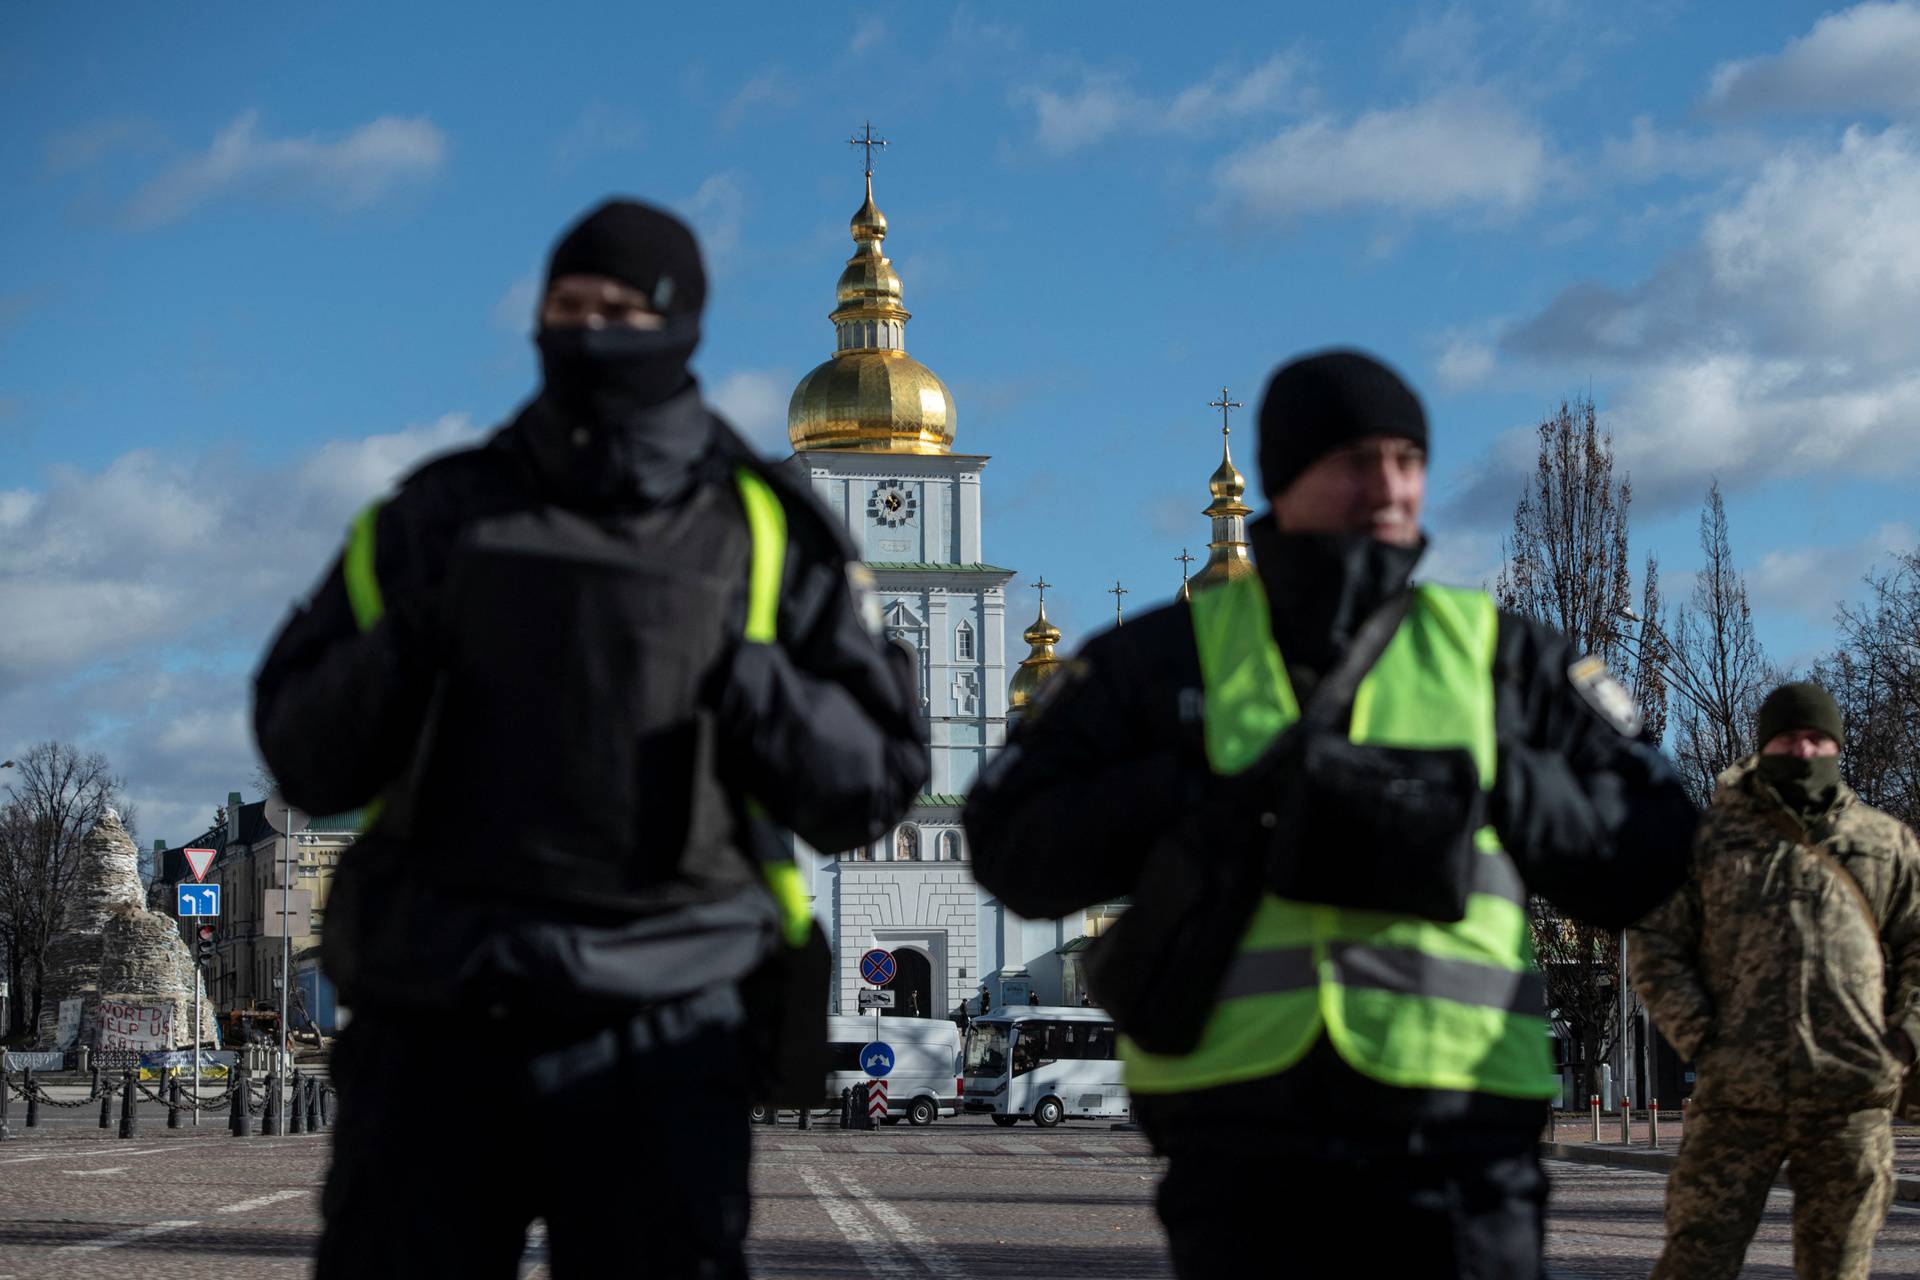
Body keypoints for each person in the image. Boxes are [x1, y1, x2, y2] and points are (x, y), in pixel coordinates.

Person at [254, 199, 926, 1278]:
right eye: (568, 307)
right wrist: (413, 645)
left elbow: (871, 783)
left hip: (666, 1021)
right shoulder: (436, 517)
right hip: (440, 1016)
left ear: (683, 323)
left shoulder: (764, 535)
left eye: (621, 308)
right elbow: (302, 752)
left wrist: (745, 681)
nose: (591, 331)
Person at [965, 349, 1698, 1278]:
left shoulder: (1502, 662)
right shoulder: (1161, 663)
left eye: (1408, 458)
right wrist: (1217, 794)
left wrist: (1483, 782)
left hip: (1460, 1138)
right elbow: (1008, 843)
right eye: (1356, 458)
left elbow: (1661, 845)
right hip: (1241, 1145)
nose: (1389, 483)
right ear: (1284, 478)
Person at [1629, 681, 1920, 1280]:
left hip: (1850, 1095)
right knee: (1696, 1257)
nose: (1805, 751)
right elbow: (1656, 944)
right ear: (1764, 748)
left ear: (1835, 745)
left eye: (1817, 738)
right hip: (1737, 1093)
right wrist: (1704, 1041)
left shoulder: (1884, 842)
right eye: (1789, 739)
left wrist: (1904, 1041)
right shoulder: (1708, 839)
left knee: (1838, 1267)